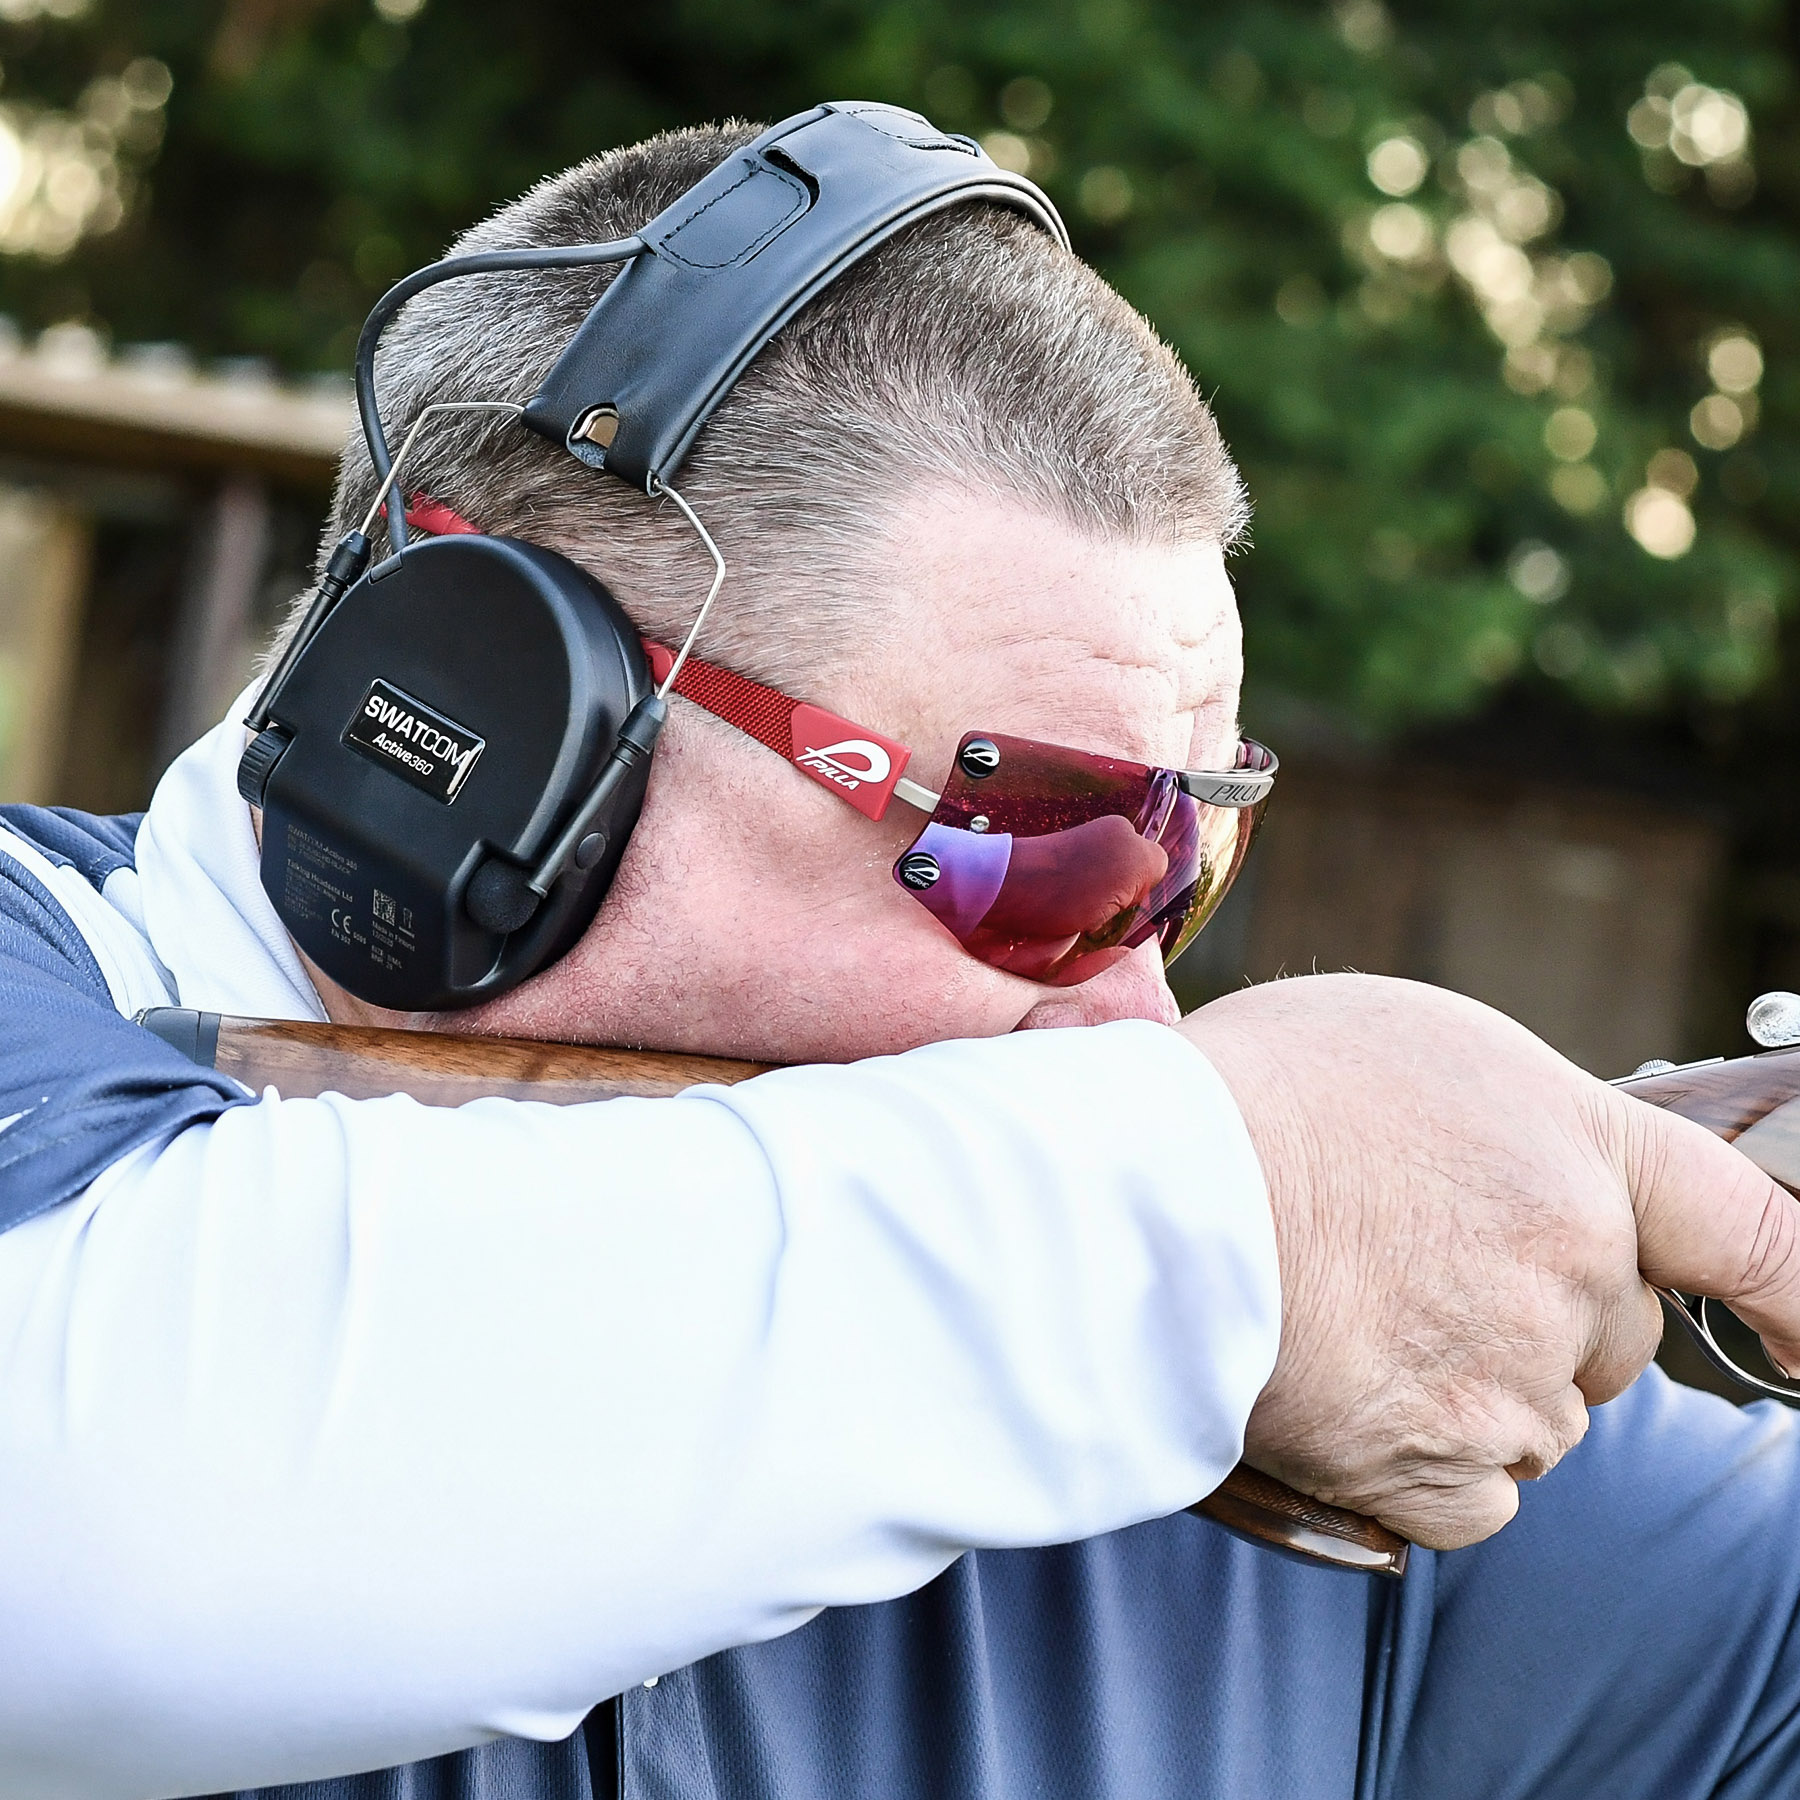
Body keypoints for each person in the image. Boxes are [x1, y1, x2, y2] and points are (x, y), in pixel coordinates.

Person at [2, 114, 1800, 1800]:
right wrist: (1237, 1221)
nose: (1140, 1019)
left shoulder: (1288, 1402)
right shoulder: (1177, 1259)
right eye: (1046, 851)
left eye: (1185, 864)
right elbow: (83, 1532)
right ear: (472, 726)